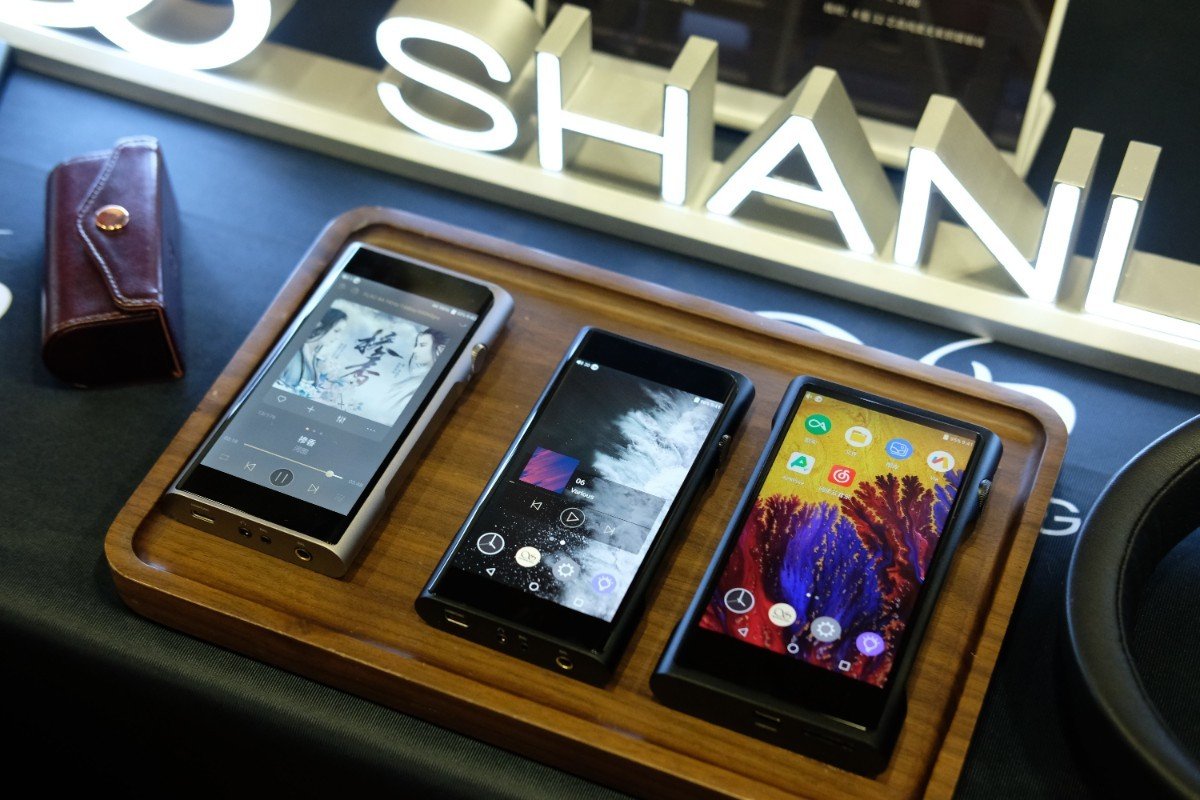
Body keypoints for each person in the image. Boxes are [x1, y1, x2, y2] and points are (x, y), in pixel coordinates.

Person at [278, 307, 348, 390]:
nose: (337, 337)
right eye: (336, 331)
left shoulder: (314, 357)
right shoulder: (292, 351)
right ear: (319, 325)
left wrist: (322, 374)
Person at [387, 328, 448, 414]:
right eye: (416, 345)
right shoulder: (417, 379)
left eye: (422, 345)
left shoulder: (421, 382)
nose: (414, 350)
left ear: (441, 349)